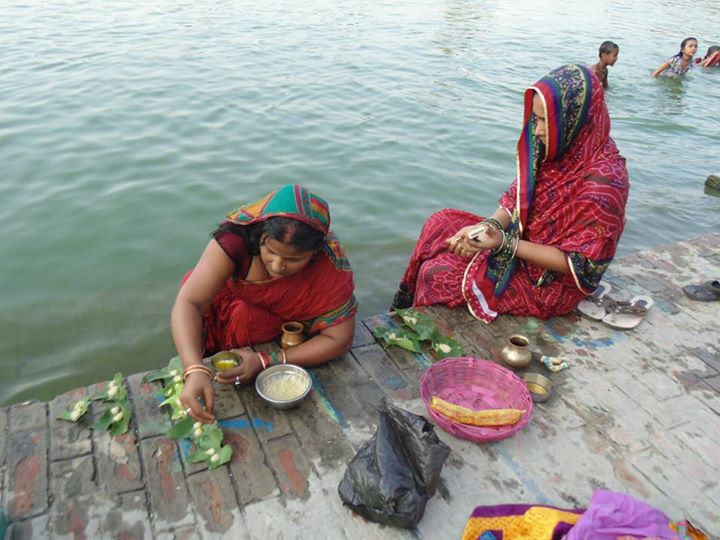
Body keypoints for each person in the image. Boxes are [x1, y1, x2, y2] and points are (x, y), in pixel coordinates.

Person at [391, 64, 629, 323]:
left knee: (437, 273)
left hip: (549, 282)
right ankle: (407, 308)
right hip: (519, 240)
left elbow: (583, 266)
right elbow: (518, 197)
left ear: (573, 120)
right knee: (440, 224)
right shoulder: (555, 147)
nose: (536, 130)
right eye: (535, 119)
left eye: (545, 121)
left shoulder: (604, 183)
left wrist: (503, 243)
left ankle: (421, 326)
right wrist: (488, 226)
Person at [173, 184, 357, 422]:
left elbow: (339, 339)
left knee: (252, 322)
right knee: (215, 300)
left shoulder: (329, 266)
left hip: (278, 325)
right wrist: (194, 369)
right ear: (259, 235)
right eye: (270, 251)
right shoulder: (235, 240)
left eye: (294, 259)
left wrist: (266, 361)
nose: (278, 265)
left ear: (314, 253)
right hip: (231, 304)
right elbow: (190, 303)